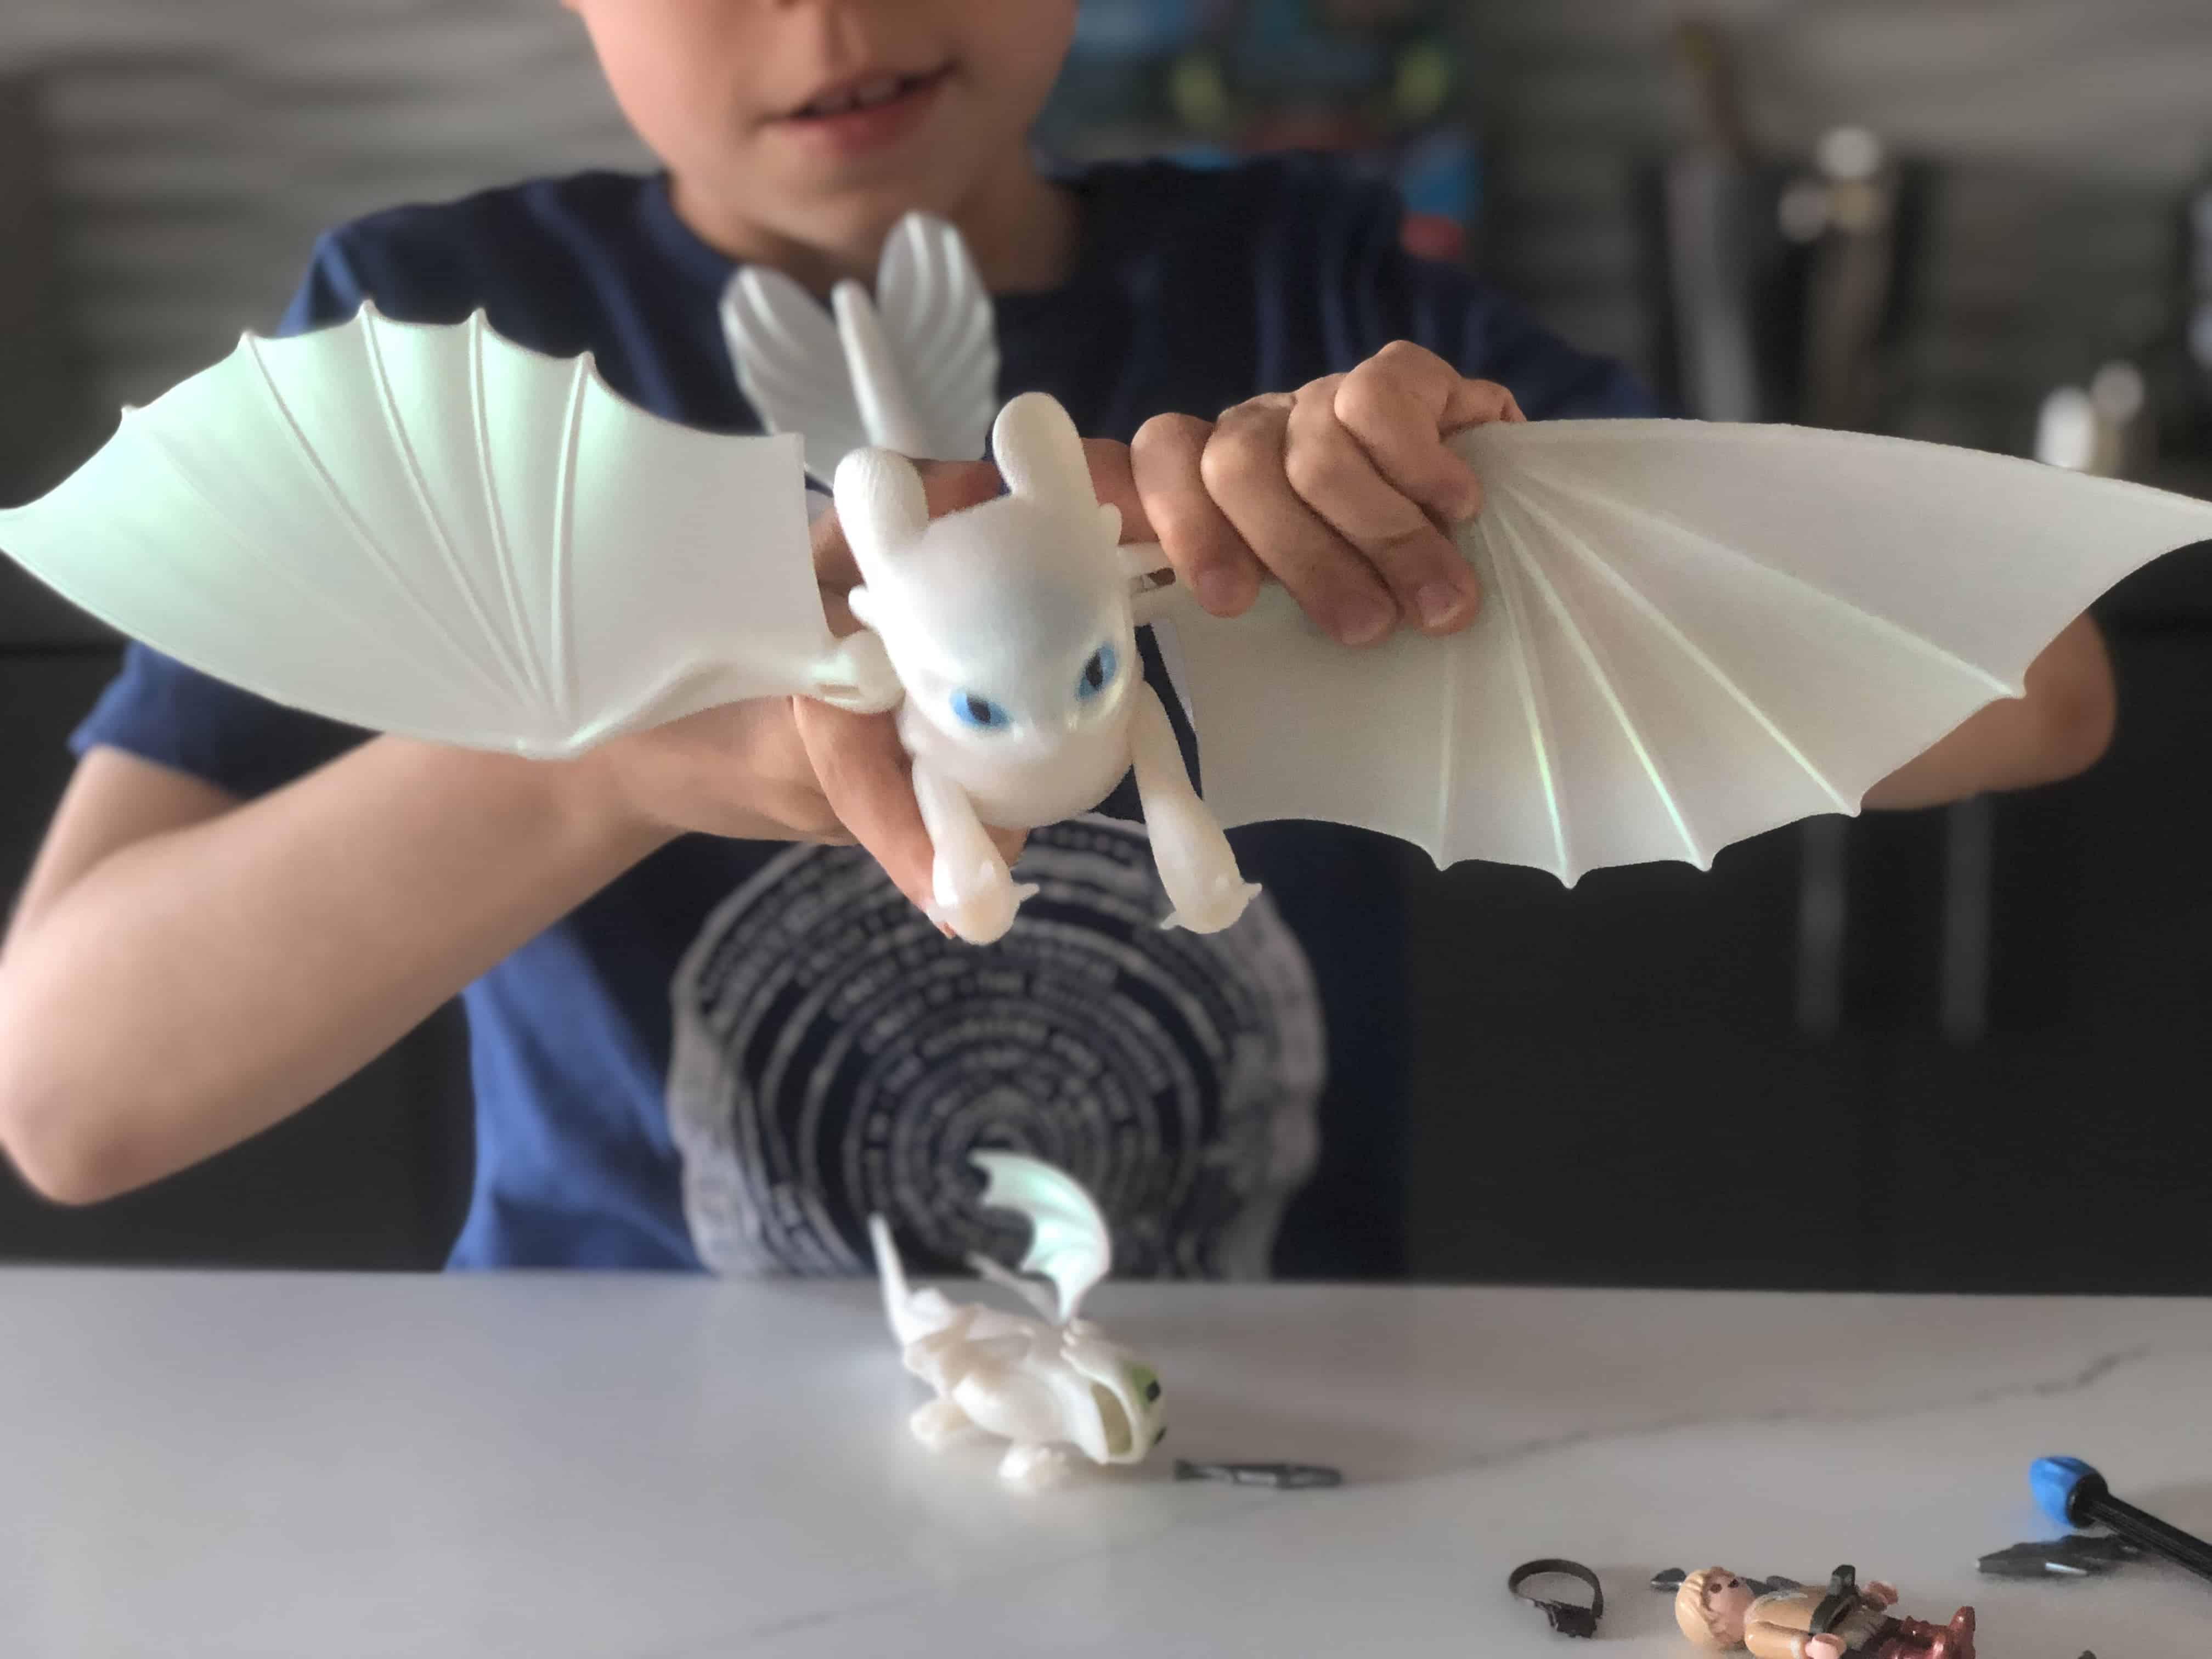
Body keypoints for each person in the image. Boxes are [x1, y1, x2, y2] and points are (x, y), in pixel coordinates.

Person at [0, 1, 2116, 1279]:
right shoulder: (437, 371)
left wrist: (1458, 521)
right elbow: (69, 1097)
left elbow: (2032, 683)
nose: (827, 17)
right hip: (613, 1442)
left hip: (1267, 1444)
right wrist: (610, 759)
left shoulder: (1310, 294)